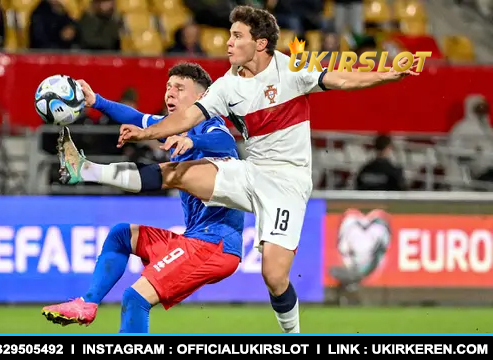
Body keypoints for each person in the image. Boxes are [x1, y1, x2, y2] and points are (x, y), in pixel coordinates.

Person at [57, 5, 422, 333]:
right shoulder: (226, 86)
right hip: (251, 171)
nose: (228, 42)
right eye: (229, 34)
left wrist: (385, 75)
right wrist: (146, 131)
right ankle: (87, 171)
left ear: (260, 43)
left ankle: (292, 338)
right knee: (177, 173)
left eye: (237, 36)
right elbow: (186, 116)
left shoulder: (290, 69)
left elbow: (340, 79)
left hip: (288, 182)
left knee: (274, 276)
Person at [41, 63, 246, 333]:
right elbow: (137, 117)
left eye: (179, 88)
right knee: (121, 235)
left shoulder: (211, 125)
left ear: (201, 97)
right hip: (196, 238)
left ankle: (87, 170)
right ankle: (87, 304)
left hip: (214, 244)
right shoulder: (175, 127)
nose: (169, 94)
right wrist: (95, 101)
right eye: (168, 87)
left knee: (135, 298)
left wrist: (194, 143)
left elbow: (224, 142)